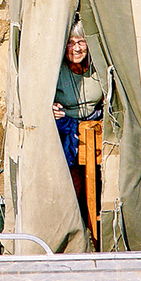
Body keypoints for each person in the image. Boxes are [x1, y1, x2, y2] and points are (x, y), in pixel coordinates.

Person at [54, 19, 104, 222]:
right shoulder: (56, 70)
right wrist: (49, 108)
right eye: (70, 43)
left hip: (95, 128)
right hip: (66, 130)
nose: (76, 48)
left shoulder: (99, 67)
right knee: (75, 183)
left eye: (81, 42)